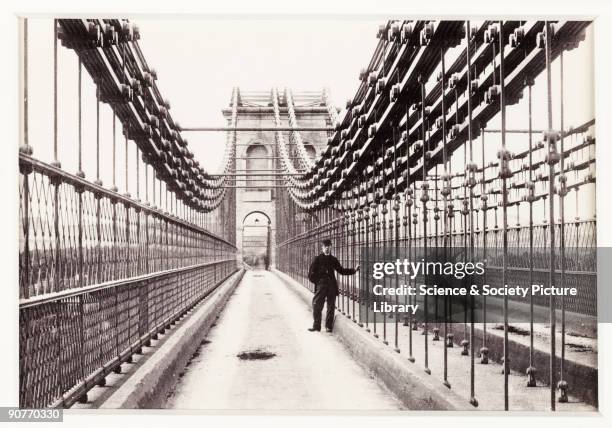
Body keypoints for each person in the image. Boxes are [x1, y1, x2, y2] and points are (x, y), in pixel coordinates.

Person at [307, 239, 359, 333]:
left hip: (331, 286)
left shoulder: (333, 259)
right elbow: (311, 275)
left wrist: (353, 270)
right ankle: (316, 326)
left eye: (328, 246)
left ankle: (328, 327)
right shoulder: (317, 259)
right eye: (325, 246)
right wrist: (318, 282)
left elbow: (341, 270)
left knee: (331, 307)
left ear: (331, 247)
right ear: (322, 248)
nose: (327, 248)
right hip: (321, 286)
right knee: (316, 305)